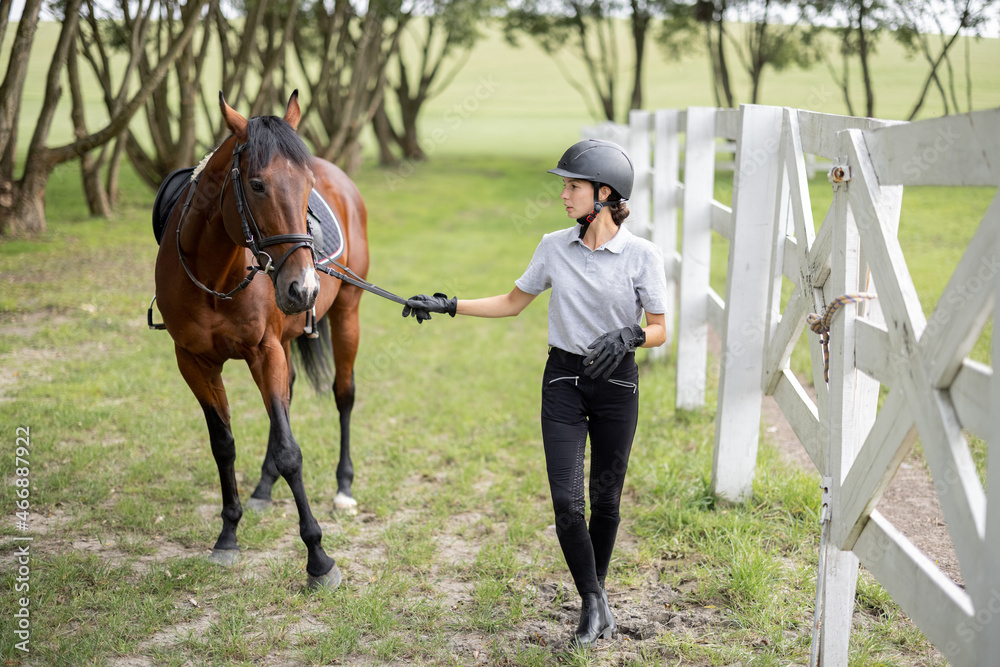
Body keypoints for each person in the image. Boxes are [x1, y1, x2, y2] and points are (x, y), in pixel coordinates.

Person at [403, 139, 668, 648]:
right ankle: (593, 603)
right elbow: (511, 301)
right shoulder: (553, 247)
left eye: (573, 186)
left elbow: (659, 328)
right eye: (564, 185)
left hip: (617, 386)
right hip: (564, 382)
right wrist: (448, 304)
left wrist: (631, 335)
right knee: (569, 503)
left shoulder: (642, 256)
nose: (564, 195)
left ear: (604, 193)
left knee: (606, 501)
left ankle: (596, 594)